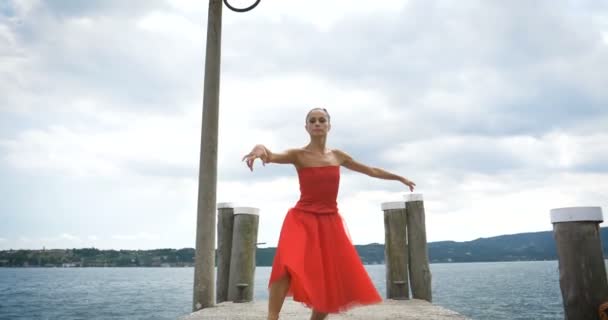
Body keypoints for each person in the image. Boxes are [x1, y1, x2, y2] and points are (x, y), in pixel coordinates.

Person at [242, 107, 416, 320]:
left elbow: (371, 170)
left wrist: (399, 178)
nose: (317, 123)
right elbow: (270, 154)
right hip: (301, 218)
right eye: (312, 120)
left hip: (329, 221)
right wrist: (258, 150)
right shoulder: (298, 155)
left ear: (328, 126)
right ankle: (272, 318)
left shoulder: (338, 156)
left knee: (329, 278)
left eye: (321, 120)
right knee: (286, 264)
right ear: (306, 127)